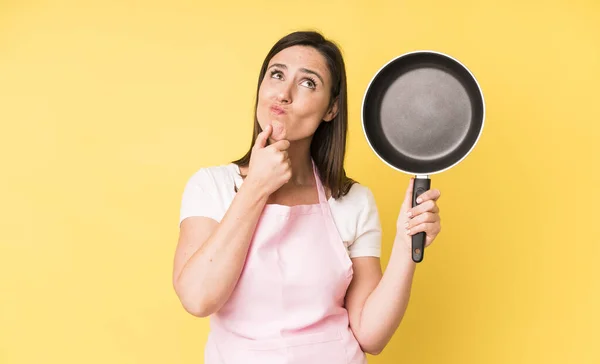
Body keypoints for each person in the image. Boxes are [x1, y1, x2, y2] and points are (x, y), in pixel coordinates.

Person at [173, 30, 442, 364]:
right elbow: (198, 298)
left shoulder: (353, 200)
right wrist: (256, 188)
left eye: (308, 83)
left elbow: (370, 335)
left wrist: (405, 245)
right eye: (276, 74)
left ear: (331, 109)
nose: (283, 93)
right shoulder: (211, 186)